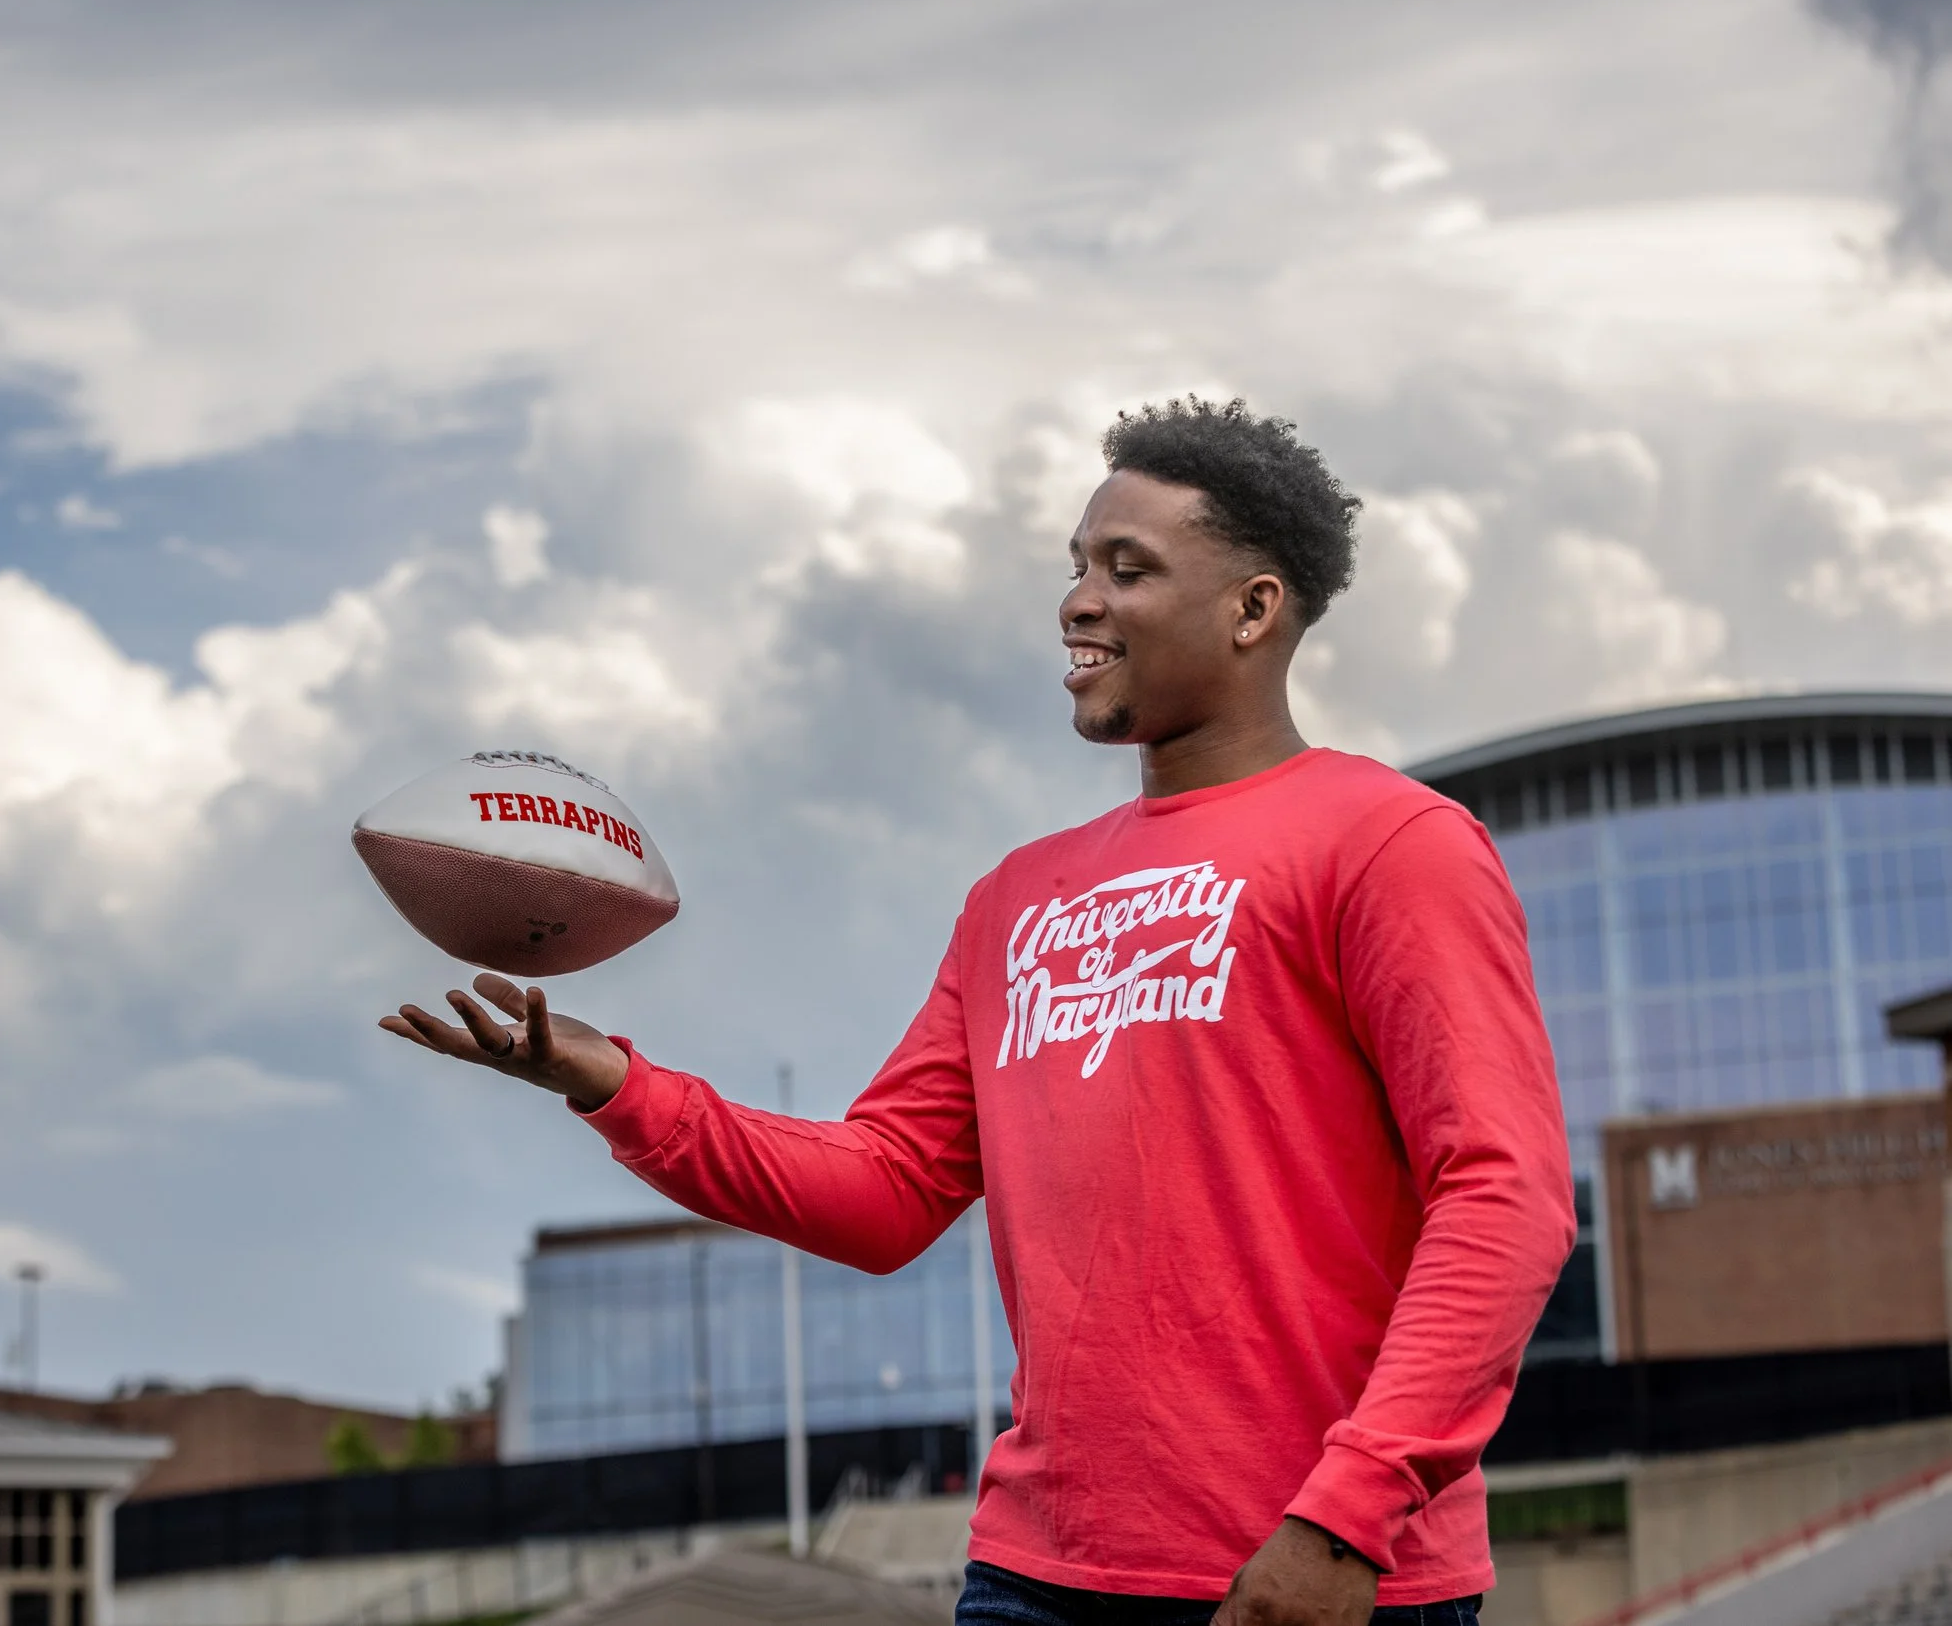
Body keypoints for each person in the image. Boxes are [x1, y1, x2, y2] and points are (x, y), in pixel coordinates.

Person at [382, 396, 1576, 1626]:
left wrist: (1348, 1512)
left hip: (1319, 1573)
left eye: (1128, 568)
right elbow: (888, 1186)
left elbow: (1504, 1194)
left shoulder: (1390, 842)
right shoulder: (1016, 896)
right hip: (1037, 1577)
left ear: (1254, 608)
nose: (1078, 600)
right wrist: (616, 1084)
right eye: (1074, 567)